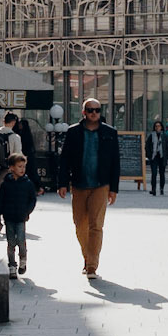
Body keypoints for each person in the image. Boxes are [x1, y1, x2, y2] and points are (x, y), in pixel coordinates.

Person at [57, 97, 120, 278]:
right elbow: (65, 160)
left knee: (96, 226)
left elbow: (115, 162)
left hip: (101, 185)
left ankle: (92, 265)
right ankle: (87, 257)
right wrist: (62, 183)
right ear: (84, 112)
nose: (94, 113)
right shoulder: (73, 132)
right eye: (90, 110)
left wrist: (113, 189)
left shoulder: (110, 132)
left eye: (97, 110)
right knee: (80, 225)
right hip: (78, 184)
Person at [0, 151, 38, 279]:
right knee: (11, 243)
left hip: (21, 217)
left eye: (24, 166)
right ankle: (12, 266)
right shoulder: (5, 184)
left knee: (21, 241)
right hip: (9, 217)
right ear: (11, 168)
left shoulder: (27, 183)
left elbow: (33, 199)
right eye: (19, 166)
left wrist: (27, 211)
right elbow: (0, 201)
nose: (22, 169)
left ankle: (23, 261)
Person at [0, 111, 23, 235]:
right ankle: (8, 220)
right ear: (13, 122)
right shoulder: (14, 137)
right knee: (10, 194)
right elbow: (18, 155)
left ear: (3, 121)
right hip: (9, 169)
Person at [145, 118, 168, 196]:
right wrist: (148, 155)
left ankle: (162, 188)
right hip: (154, 156)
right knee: (154, 173)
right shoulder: (151, 135)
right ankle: (153, 189)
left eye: (159, 126)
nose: (157, 128)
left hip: (162, 157)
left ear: (161, 127)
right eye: (156, 126)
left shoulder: (164, 135)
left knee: (162, 173)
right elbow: (147, 146)